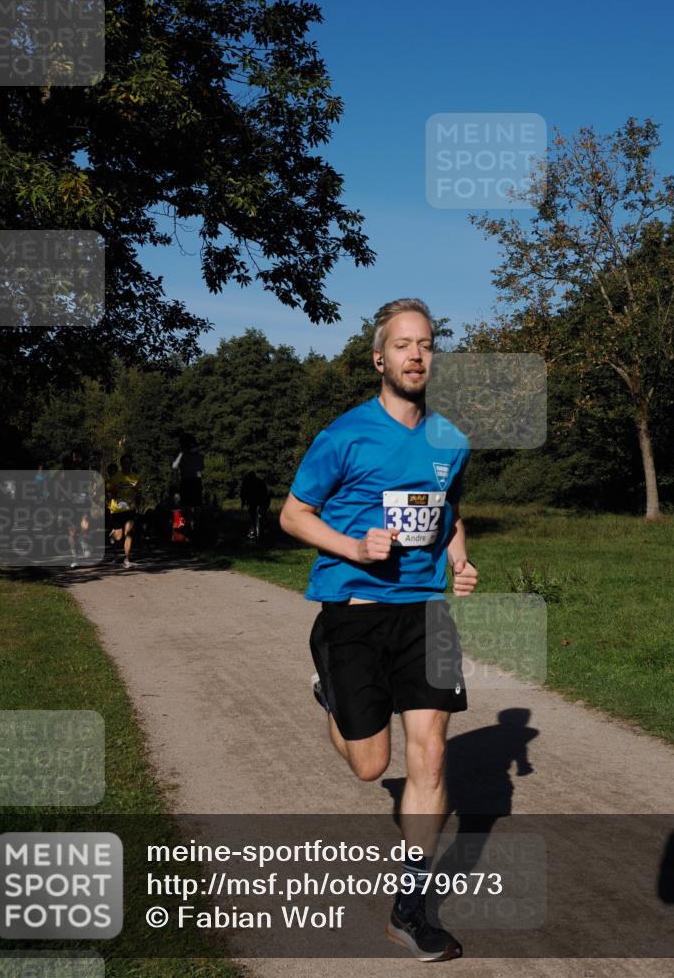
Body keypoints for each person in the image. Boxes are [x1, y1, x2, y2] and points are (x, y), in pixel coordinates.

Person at [280, 298, 478, 962]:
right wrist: (350, 546)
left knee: (430, 756)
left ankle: (409, 910)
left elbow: (449, 509)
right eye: (402, 345)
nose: (415, 355)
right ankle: (331, 692)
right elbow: (293, 514)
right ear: (379, 358)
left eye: (425, 344)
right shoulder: (344, 436)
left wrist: (459, 558)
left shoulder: (450, 439)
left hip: (426, 612)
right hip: (355, 612)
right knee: (372, 766)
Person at [106, 453, 142, 569]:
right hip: (117, 510)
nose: (127, 465)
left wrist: (138, 502)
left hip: (130, 509)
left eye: (128, 462)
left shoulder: (136, 478)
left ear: (130, 464)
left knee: (129, 532)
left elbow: (138, 493)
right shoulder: (115, 477)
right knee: (119, 537)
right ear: (121, 464)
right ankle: (114, 538)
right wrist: (112, 494)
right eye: (124, 463)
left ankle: (126, 559)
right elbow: (108, 491)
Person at [172, 435, 204, 539]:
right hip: (189, 481)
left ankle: (194, 523)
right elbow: (175, 466)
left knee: (193, 505)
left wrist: (182, 454)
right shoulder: (188, 455)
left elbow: (175, 466)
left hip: (192, 481)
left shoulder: (195, 455)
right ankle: (190, 524)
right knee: (188, 505)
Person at [240, 470, 271, 540]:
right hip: (257, 501)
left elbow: (243, 493)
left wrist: (243, 503)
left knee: (254, 516)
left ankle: (254, 531)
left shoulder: (247, 482)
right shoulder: (259, 481)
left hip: (256, 501)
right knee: (259, 515)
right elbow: (266, 493)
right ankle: (260, 529)